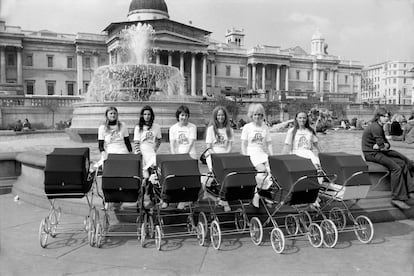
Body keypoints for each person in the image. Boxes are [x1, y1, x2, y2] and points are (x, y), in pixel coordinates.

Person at [362, 108, 414, 210]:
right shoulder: (375, 127)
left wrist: (383, 145)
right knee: (396, 168)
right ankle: (396, 197)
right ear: (378, 117)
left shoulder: (380, 126)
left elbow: (386, 144)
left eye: (387, 116)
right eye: (384, 116)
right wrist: (382, 145)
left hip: (379, 152)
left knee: (402, 163)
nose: (386, 118)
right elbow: (382, 145)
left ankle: (409, 191)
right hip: (371, 154)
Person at [241, 103, 273, 208]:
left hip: (261, 152)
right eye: (255, 114)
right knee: (263, 170)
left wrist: (272, 156)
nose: (257, 117)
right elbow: (244, 144)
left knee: (272, 169)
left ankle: (264, 193)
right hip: (251, 152)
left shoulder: (265, 127)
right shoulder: (247, 127)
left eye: (259, 114)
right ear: (251, 115)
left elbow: (268, 143)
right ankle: (256, 194)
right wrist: (245, 157)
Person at [204, 106, 234, 211]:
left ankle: (223, 197)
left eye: (222, 115)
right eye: (219, 115)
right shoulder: (211, 129)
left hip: (225, 154)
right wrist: (216, 156)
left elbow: (230, 145)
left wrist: (226, 154)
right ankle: (224, 200)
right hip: (213, 154)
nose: (220, 117)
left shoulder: (229, 130)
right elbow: (209, 147)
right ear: (215, 117)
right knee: (219, 174)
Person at [169, 105, 197, 209]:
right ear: (178, 116)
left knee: (190, 179)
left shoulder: (192, 127)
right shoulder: (173, 128)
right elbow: (172, 144)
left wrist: (184, 156)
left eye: (185, 115)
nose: (183, 117)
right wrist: (174, 157)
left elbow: (191, 143)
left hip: (190, 155)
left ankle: (189, 199)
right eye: (182, 115)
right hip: (178, 157)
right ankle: (179, 198)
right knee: (179, 180)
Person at [134, 106, 162, 208]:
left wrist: (154, 149)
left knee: (154, 176)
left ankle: (153, 198)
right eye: (145, 114)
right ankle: (140, 199)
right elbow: (136, 143)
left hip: (151, 154)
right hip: (141, 154)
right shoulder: (138, 128)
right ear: (142, 116)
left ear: (152, 116)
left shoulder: (156, 127)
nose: (147, 116)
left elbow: (159, 140)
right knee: (143, 177)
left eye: (149, 114)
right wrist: (139, 155)